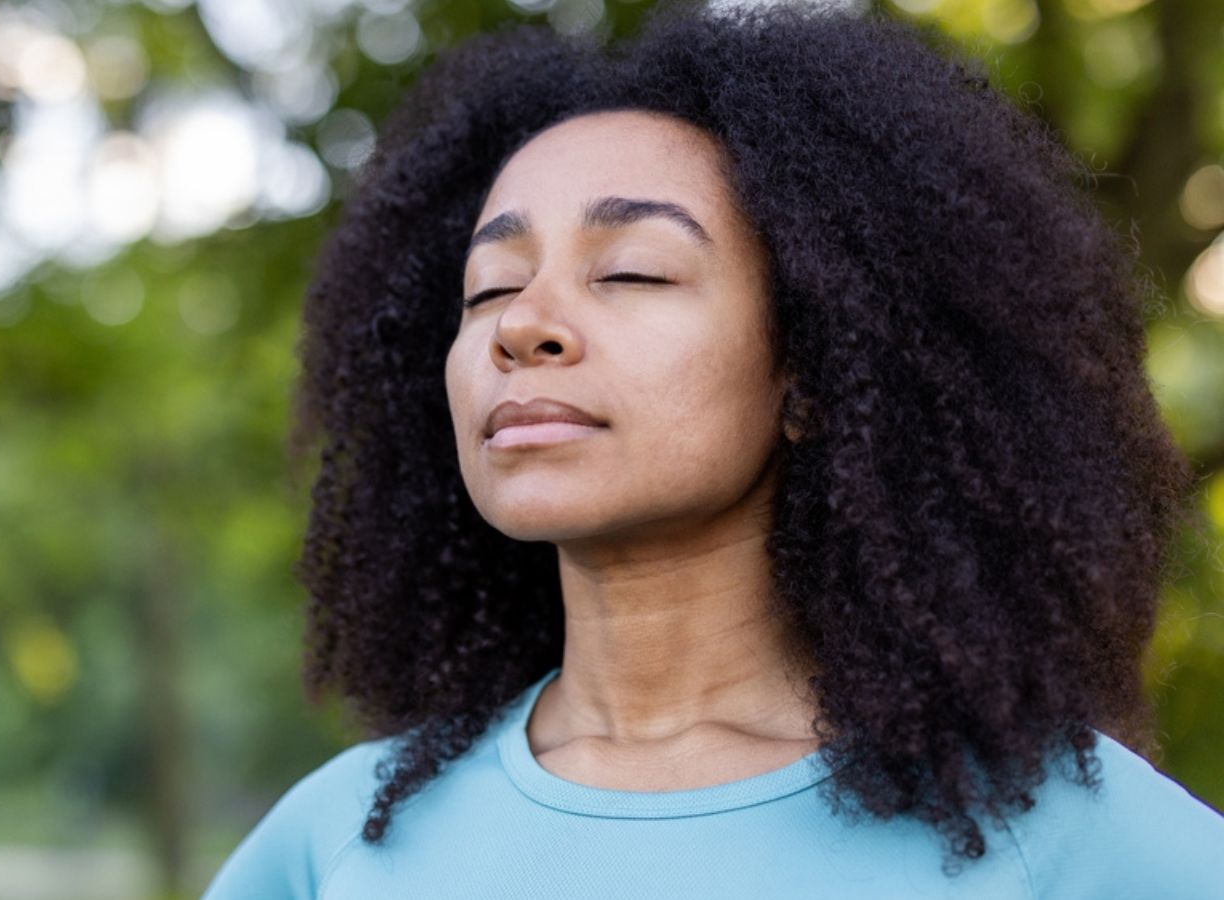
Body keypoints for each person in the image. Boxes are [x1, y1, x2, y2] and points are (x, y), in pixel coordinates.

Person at [201, 1, 1224, 897]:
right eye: (488, 289)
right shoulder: (334, 841)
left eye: (634, 272)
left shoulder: (1056, 834)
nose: (523, 326)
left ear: (815, 369)